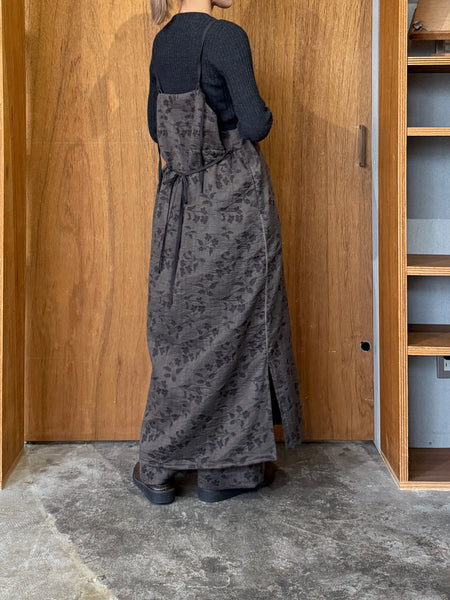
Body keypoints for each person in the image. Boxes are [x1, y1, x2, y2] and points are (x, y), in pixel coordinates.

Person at [133, 0, 304, 504]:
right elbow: (255, 124)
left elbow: (155, 129)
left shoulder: (163, 40)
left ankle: (160, 466)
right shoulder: (226, 36)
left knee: (182, 331)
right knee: (239, 329)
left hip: (179, 203)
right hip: (232, 201)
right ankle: (225, 472)